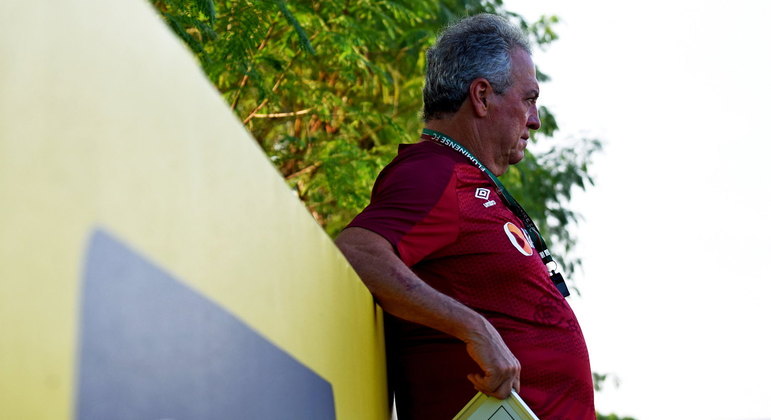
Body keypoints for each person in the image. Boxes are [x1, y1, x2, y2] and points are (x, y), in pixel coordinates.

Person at [335, 13, 595, 420]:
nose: (535, 120)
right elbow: (357, 253)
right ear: (482, 96)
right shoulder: (437, 171)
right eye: (529, 99)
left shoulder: (466, 179)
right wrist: (476, 329)